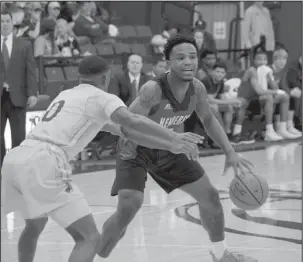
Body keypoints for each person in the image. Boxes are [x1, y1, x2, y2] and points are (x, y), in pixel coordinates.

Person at [1, 55, 203, 262]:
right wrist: (174, 135)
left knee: (34, 225)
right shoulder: (102, 98)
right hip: (45, 160)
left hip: (17, 157)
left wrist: (170, 145)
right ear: (106, 77)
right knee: (89, 238)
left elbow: (125, 132)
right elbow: (131, 120)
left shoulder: (66, 94)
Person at [98, 35, 256, 262]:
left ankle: (221, 254)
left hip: (171, 147)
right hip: (134, 150)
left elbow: (208, 119)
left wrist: (229, 150)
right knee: (128, 206)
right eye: (180, 57)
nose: (188, 62)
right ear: (169, 62)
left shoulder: (197, 88)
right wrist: (171, 141)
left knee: (210, 196)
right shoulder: (152, 90)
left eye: (192, 57)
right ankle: (93, 255)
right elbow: (127, 127)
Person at [1, 11, 38, 166]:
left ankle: (17, 169)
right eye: (1, 21)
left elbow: (30, 71)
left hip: (18, 97)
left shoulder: (24, 45)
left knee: (19, 138)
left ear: (12, 23)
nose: (4, 24)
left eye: (7, 21)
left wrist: (33, 94)